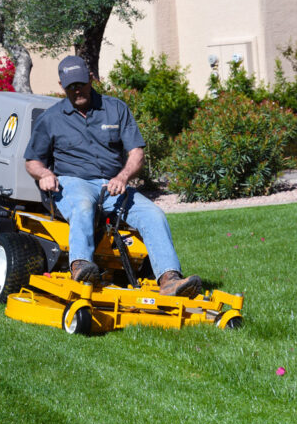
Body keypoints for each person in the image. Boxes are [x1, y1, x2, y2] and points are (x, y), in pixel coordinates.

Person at [24, 56, 202, 298]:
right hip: (73, 182)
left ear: (90, 79)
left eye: (80, 83)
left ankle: (169, 279)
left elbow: (136, 152)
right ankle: (81, 267)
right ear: (61, 86)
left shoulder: (115, 109)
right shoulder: (51, 118)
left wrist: (123, 176)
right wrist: (44, 173)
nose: (77, 90)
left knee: (153, 214)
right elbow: (32, 160)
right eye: (70, 86)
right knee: (83, 205)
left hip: (113, 185)